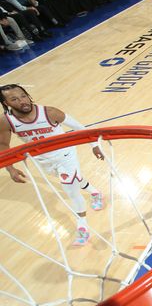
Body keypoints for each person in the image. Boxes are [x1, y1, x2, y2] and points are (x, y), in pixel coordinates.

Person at [0, 85, 105, 246]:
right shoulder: (6, 121)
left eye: (23, 96)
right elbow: (3, 144)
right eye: (14, 99)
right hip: (43, 159)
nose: (22, 101)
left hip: (66, 154)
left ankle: (82, 226)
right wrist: (10, 168)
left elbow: (79, 128)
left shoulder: (49, 112)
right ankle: (95, 192)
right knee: (74, 180)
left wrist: (94, 146)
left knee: (69, 188)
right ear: (6, 103)